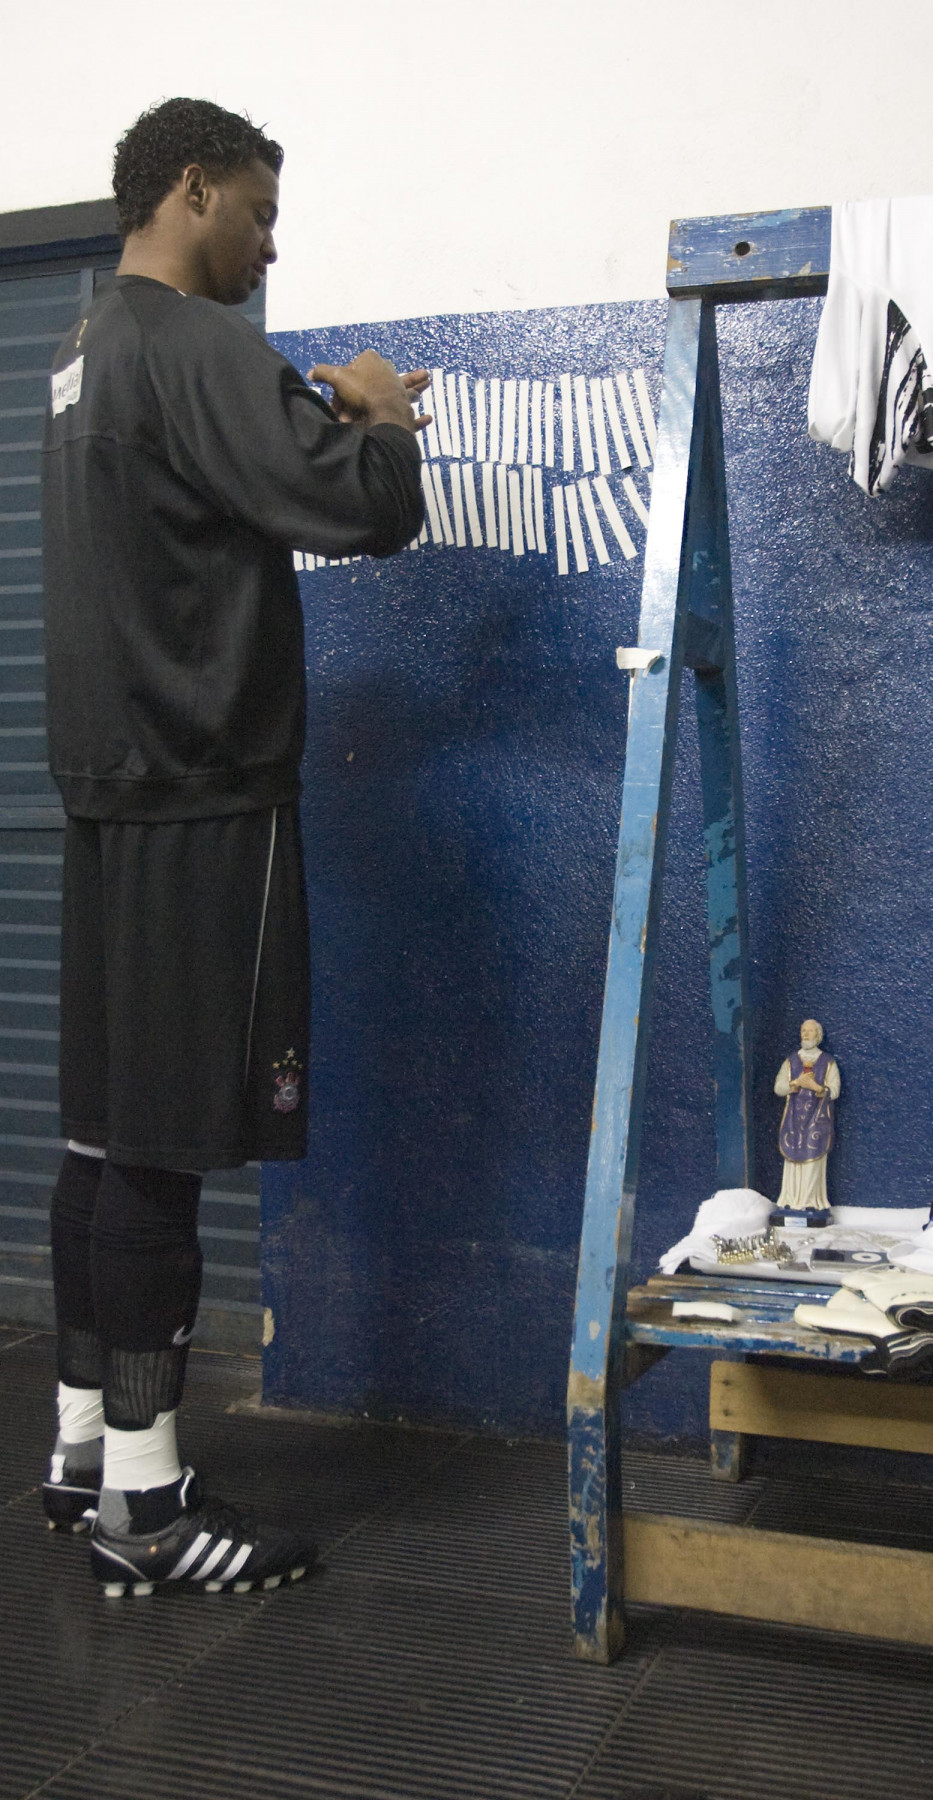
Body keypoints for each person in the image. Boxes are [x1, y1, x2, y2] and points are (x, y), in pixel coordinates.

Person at [39, 97, 427, 1596]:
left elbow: (200, 518)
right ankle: (146, 1516)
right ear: (192, 190)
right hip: (207, 808)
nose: (272, 242)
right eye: (259, 212)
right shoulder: (198, 348)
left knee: (98, 1141)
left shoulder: (81, 360)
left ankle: (85, 1460)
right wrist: (381, 413)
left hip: (114, 806)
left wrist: (312, 429)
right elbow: (359, 511)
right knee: (164, 1153)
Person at [774, 1018, 840, 1211]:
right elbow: (778, 1088)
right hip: (794, 1118)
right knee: (793, 1157)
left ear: (818, 1035)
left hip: (817, 1118)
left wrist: (816, 1087)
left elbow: (835, 1090)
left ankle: (811, 1201)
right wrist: (795, 1083)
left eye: (810, 1031)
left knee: (813, 1156)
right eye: (803, 1030)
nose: (805, 1034)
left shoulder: (827, 1062)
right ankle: (791, 1199)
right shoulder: (791, 1061)